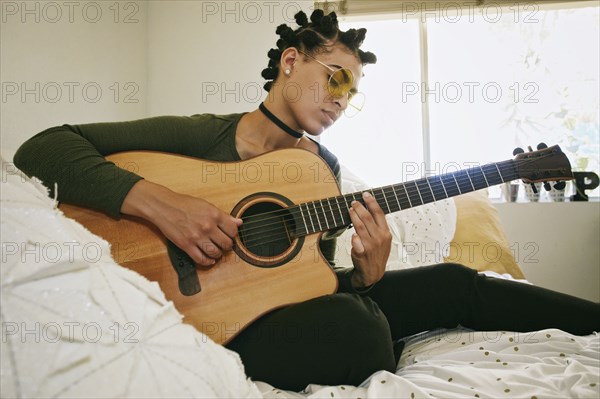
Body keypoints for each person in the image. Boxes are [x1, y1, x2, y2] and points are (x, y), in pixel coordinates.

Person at [14, 9, 600, 391]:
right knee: (359, 333)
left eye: (353, 92)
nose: (342, 99)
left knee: (448, 282)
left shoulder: (322, 170)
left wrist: (364, 279)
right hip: (197, 313)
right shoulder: (202, 135)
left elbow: (301, 279)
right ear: (291, 62)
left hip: (270, 311)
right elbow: (43, 149)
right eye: (336, 77)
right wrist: (165, 204)